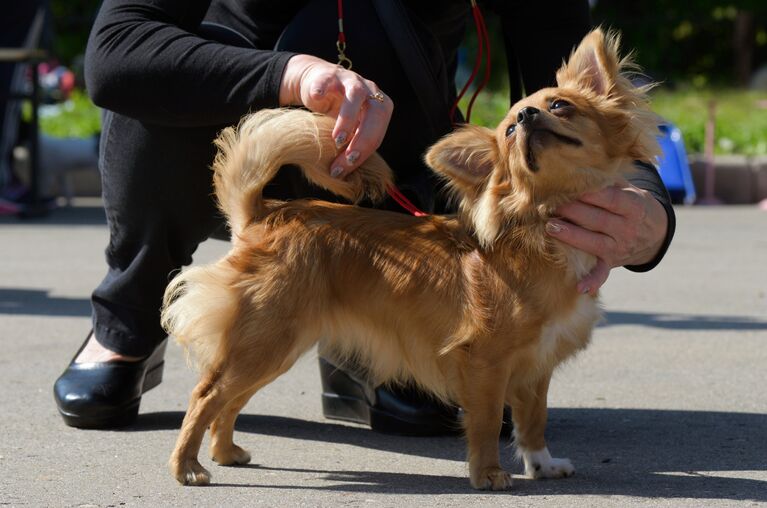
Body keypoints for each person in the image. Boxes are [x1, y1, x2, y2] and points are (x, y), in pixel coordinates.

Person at [54, 0, 675, 432]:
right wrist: (289, 76)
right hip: (205, 141)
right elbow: (116, 49)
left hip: (395, 190)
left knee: (435, 411)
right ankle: (131, 315)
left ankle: (365, 347)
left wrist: (643, 208)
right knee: (156, 84)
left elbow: (572, 87)